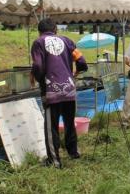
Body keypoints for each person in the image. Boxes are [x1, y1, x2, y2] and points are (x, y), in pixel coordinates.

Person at [30, 18, 88, 168]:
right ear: (55, 29)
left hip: (51, 91)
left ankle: (54, 160)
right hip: (69, 89)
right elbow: (82, 61)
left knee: (51, 126)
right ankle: (73, 152)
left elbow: (37, 65)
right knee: (69, 123)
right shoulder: (68, 41)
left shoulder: (38, 42)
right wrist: (75, 73)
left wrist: (40, 78)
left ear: (39, 31)